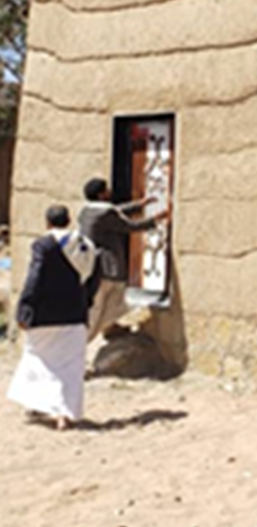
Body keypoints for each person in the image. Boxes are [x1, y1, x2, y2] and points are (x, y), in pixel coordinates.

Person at [7, 205, 97, 430]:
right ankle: (63, 415)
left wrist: (25, 307)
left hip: (44, 314)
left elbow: (34, 278)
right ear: (68, 221)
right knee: (70, 366)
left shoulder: (44, 246)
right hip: (74, 314)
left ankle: (41, 404)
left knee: (38, 359)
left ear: (47, 222)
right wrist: (87, 300)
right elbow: (94, 277)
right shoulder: (84, 245)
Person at [77, 177, 168, 342]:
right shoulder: (105, 213)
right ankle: (81, 344)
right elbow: (129, 226)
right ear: (101, 194)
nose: (110, 192)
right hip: (107, 267)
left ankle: (109, 327)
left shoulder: (86, 211)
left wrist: (140, 204)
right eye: (106, 190)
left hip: (93, 266)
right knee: (103, 306)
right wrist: (156, 219)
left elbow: (116, 211)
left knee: (106, 303)